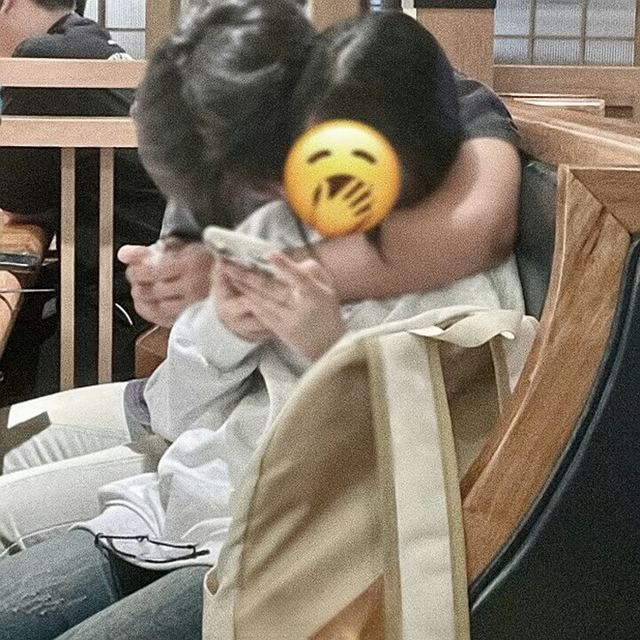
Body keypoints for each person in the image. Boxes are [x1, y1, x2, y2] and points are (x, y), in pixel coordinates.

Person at [0, 6, 523, 640]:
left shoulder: (451, 259)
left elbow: (415, 467)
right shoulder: (273, 223)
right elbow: (175, 415)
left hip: (289, 555)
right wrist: (223, 327)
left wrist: (326, 347)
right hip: (173, 511)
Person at [0, 0, 166, 396]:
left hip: (117, 312)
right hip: (146, 293)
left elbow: (17, 198)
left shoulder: (43, 59)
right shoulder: (91, 41)